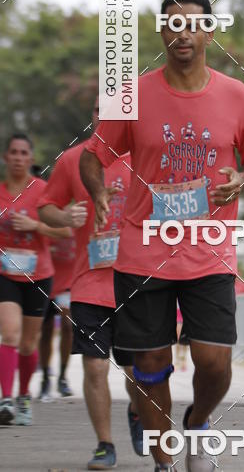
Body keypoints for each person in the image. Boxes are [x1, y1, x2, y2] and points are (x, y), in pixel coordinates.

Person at [80, 0, 244, 472]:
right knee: (148, 368)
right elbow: (91, 154)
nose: (182, 33)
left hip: (209, 250)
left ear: (208, 32)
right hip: (142, 252)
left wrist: (242, 179)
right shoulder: (134, 95)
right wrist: (99, 191)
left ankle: (200, 422)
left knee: (214, 362)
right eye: (172, 24)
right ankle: (165, 462)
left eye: (193, 24)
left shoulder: (236, 95)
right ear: (162, 31)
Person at [38, 98, 142, 470]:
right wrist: (63, 214)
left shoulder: (140, 158)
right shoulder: (72, 160)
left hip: (134, 283)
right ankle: (104, 444)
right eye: (99, 110)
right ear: (92, 115)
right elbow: (46, 207)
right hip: (88, 283)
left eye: (113, 111)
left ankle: (136, 409)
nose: (105, 117)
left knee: (135, 372)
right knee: (95, 367)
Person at [0, 133, 71, 426]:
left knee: (29, 345)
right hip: (5, 273)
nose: (18, 157)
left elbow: (66, 231)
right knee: (11, 334)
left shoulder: (43, 190)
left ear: (31, 158)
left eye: (23, 153)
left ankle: (24, 395)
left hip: (39, 276)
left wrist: (36, 225)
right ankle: (6, 400)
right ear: (6, 157)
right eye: (13, 152)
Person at [39, 229, 77, 399]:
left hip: (69, 281)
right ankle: (45, 378)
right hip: (46, 279)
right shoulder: (46, 215)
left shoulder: (78, 215)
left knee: (67, 326)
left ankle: (62, 377)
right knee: (46, 331)